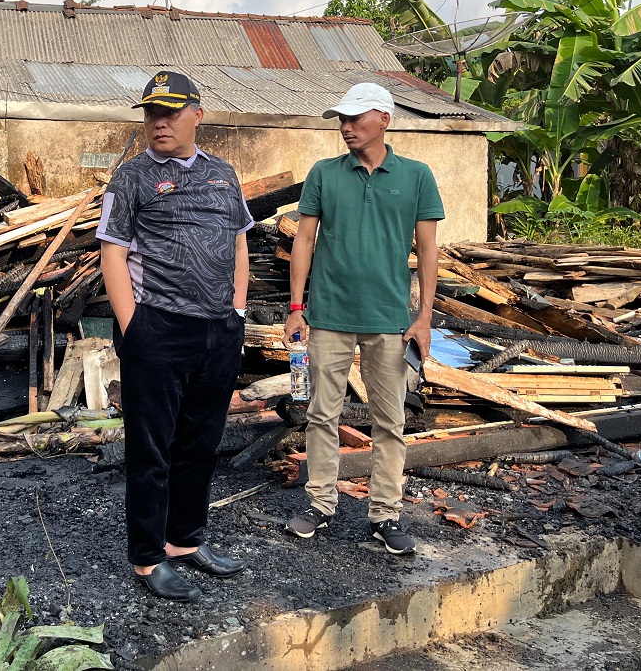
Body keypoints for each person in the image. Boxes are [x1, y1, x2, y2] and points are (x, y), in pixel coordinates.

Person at [97, 70, 254, 601]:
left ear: (197, 114)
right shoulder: (132, 177)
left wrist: (237, 310)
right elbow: (112, 254)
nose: (159, 122)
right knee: (151, 448)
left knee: (200, 443)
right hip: (158, 328)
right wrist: (133, 326)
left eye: (170, 111)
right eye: (150, 113)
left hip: (218, 330)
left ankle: (185, 540)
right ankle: (147, 557)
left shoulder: (223, 175)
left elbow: (238, 247)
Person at [282, 82, 444, 555]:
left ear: (385, 120)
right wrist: (296, 307)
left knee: (390, 420)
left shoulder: (416, 176)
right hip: (328, 316)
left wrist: (424, 317)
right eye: (342, 119)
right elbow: (304, 241)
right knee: (320, 414)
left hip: (389, 319)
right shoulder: (324, 174)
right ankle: (320, 503)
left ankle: (385, 514)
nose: (346, 127)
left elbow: (429, 249)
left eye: (356, 118)